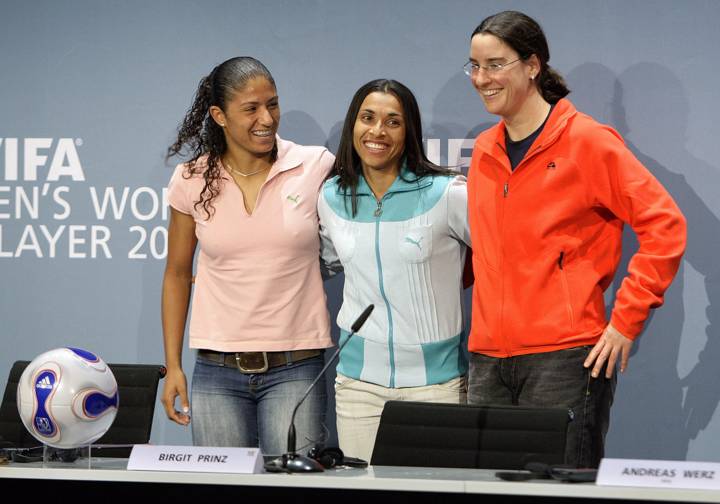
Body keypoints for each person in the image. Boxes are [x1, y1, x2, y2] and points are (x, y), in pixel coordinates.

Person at [464, 11, 687, 467]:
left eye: (495, 64)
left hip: (564, 360)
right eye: (474, 66)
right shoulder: (485, 149)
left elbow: (665, 225)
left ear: (532, 65)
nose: (482, 79)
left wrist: (626, 320)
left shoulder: (587, 141)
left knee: (560, 493)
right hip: (487, 359)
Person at [161, 56, 334, 454]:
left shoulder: (314, 165)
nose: (267, 118)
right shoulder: (191, 179)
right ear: (219, 115)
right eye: (251, 108)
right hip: (216, 372)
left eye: (272, 104)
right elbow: (175, 275)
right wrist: (173, 366)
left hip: (296, 367)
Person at [318, 79, 471, 462]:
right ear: (354, 123)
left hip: (437, 385)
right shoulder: (331, 195)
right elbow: (321, 263)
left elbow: (501, 260)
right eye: (367, 118)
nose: (377, 131)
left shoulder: (447, 193)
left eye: (393, 122)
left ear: (409, 132)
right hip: (358, 387)